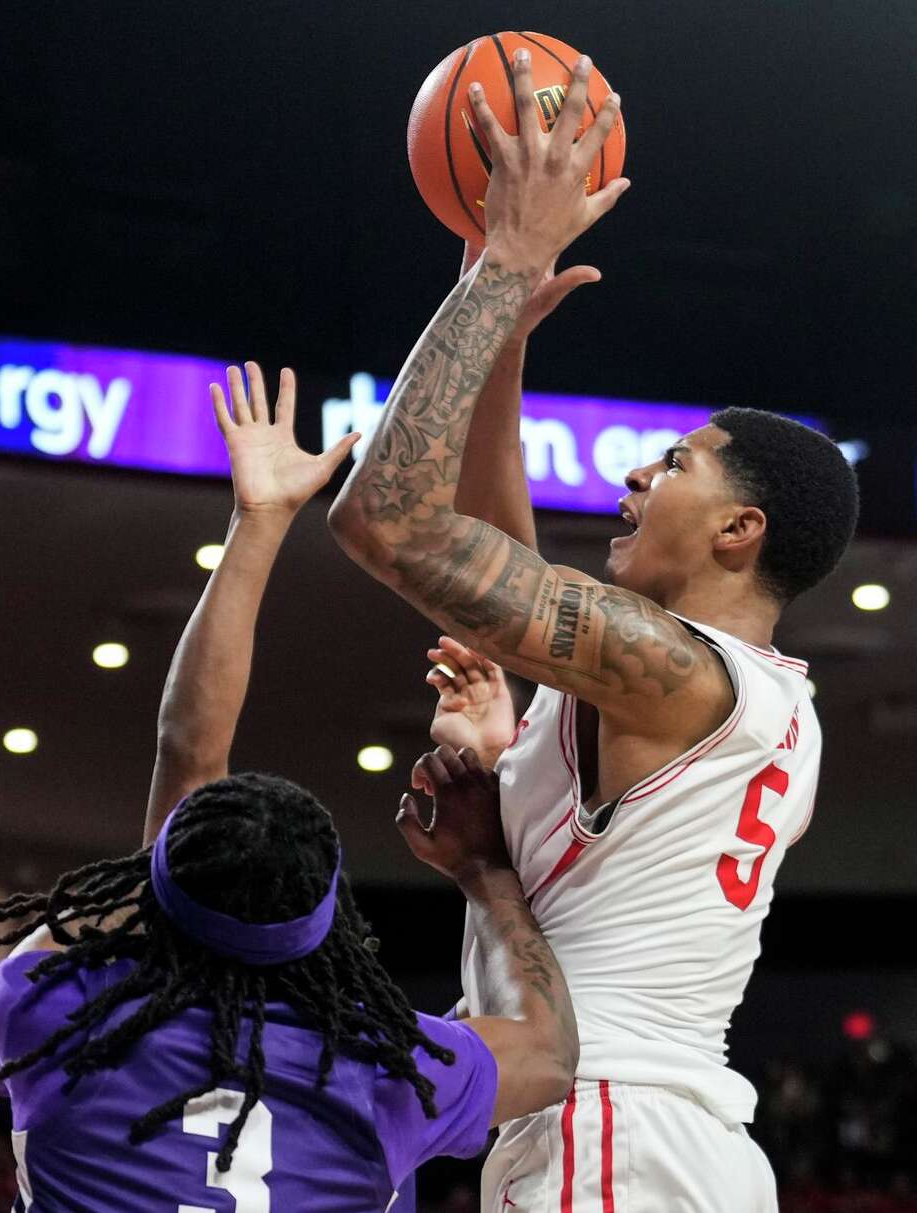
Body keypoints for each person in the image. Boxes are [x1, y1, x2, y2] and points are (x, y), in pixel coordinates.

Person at [328, 53, 858, 1210]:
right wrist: (504, 336)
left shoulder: (674, 672)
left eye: (673, 462)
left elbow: (388, 520)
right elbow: (487, 554)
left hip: (610, 1130)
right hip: (645, 1135)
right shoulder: (725, 693)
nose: (633, 471)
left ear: (738, 529)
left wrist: (504, 263)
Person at [0, 365, 578, 1210]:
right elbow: (546, 1054)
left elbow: (186, 755)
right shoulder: (384, 1064)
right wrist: (484, 865)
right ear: (326, 911)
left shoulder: (42, 1009)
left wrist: (257, 523)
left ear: (158, 887)